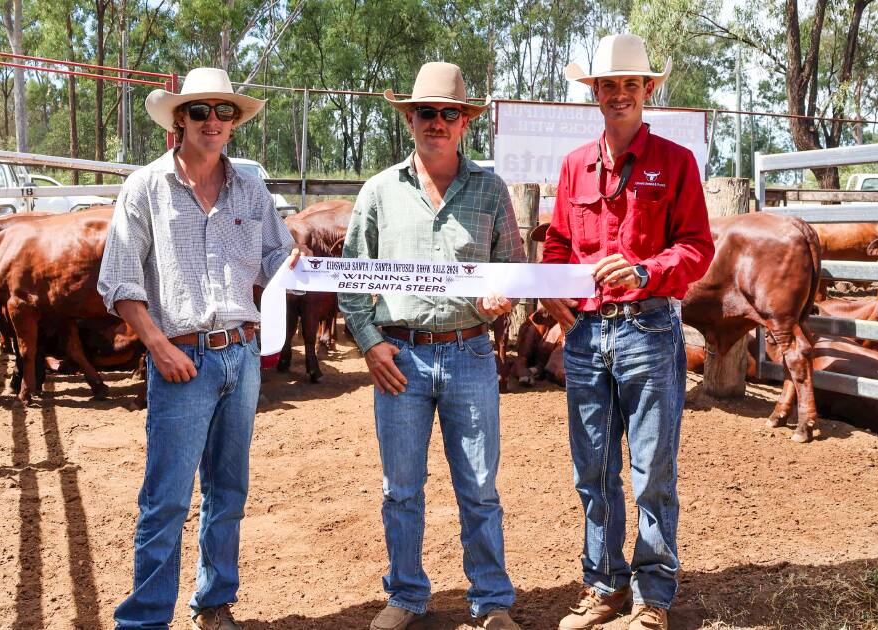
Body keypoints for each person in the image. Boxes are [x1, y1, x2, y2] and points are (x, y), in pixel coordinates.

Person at [98, 67, 297, 630]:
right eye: (202, 111)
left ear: (234, 122)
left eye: (224, 112)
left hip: (240, 352)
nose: (213, 122)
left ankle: (214, 601)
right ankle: (145, 619)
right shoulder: (145, 187)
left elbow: (276, 260)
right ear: (180, 119)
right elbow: (118, 279)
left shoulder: (251, 188)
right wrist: (158, 345)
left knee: (228, 488)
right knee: (166, 498)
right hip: (181, 356)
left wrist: (308, 265)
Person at [338, 62, 526, 630]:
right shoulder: (378, 192)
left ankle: (491, 601)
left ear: (466, 122)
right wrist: (370, 343)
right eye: (426, 113)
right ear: (410, 120)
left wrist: (503, 301)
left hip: (469, 353)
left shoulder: (490, 190)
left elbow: (513, 271)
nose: (437, 123)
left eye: (449, 113)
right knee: (401, 487)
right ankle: (405, 595)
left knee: (479, 486)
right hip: (401, 356)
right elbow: (352, 278)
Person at [540, 35, 715, 630]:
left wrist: (646, 271)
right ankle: (604, 584)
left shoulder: (675, 162)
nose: (619, 94)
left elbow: (697, 248)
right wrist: (557, 292)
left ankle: (652, 597)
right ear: (594, 94)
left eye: (630, 85)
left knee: (651, 470)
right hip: (588, 335)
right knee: (592, 467)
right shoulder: (573, 167)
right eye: (608, 85)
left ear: (648, 92)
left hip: (649, 329)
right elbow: (559, 245)